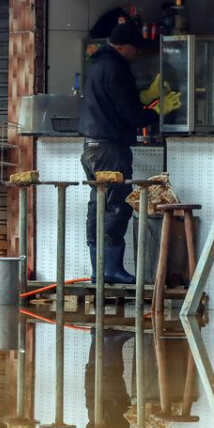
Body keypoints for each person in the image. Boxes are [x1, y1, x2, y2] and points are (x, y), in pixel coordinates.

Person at [78, 20, 181, 284]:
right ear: (123, 47)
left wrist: (146, 97)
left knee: (98, 205)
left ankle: (99, 269)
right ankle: (110, 269)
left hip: (92, 148)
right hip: (110, 149)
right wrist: (156, 111)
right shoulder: (116, 67)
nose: (137, 55)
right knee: (115, 206)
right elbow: (130, 114)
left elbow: (118, 103)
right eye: (135, 49)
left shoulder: (99, 64)